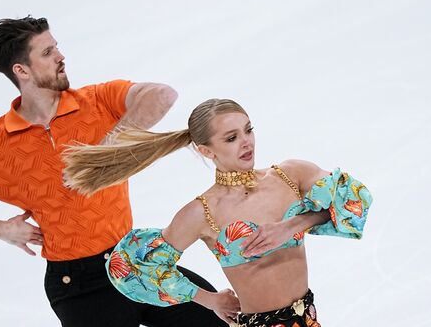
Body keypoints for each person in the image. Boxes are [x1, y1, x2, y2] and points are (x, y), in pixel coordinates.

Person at [0, 16, 236, 327]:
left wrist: (104, 151)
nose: (61, 56)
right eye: (47, 53)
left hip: (135, 260)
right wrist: (1, 229)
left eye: (56, 47)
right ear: (21, 71)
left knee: (221, 320)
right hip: (80, 286)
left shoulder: (96, 102)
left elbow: (160, 96)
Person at [63, 98, 373, 327]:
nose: (246, 142)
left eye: (248, 130)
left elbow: (354, 199)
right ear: (206, 150)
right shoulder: (202, 212)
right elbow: (131, 266)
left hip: (309, 318)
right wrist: (209, 300)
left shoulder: (290, 175)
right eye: (231, 138)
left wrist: (294, 223)